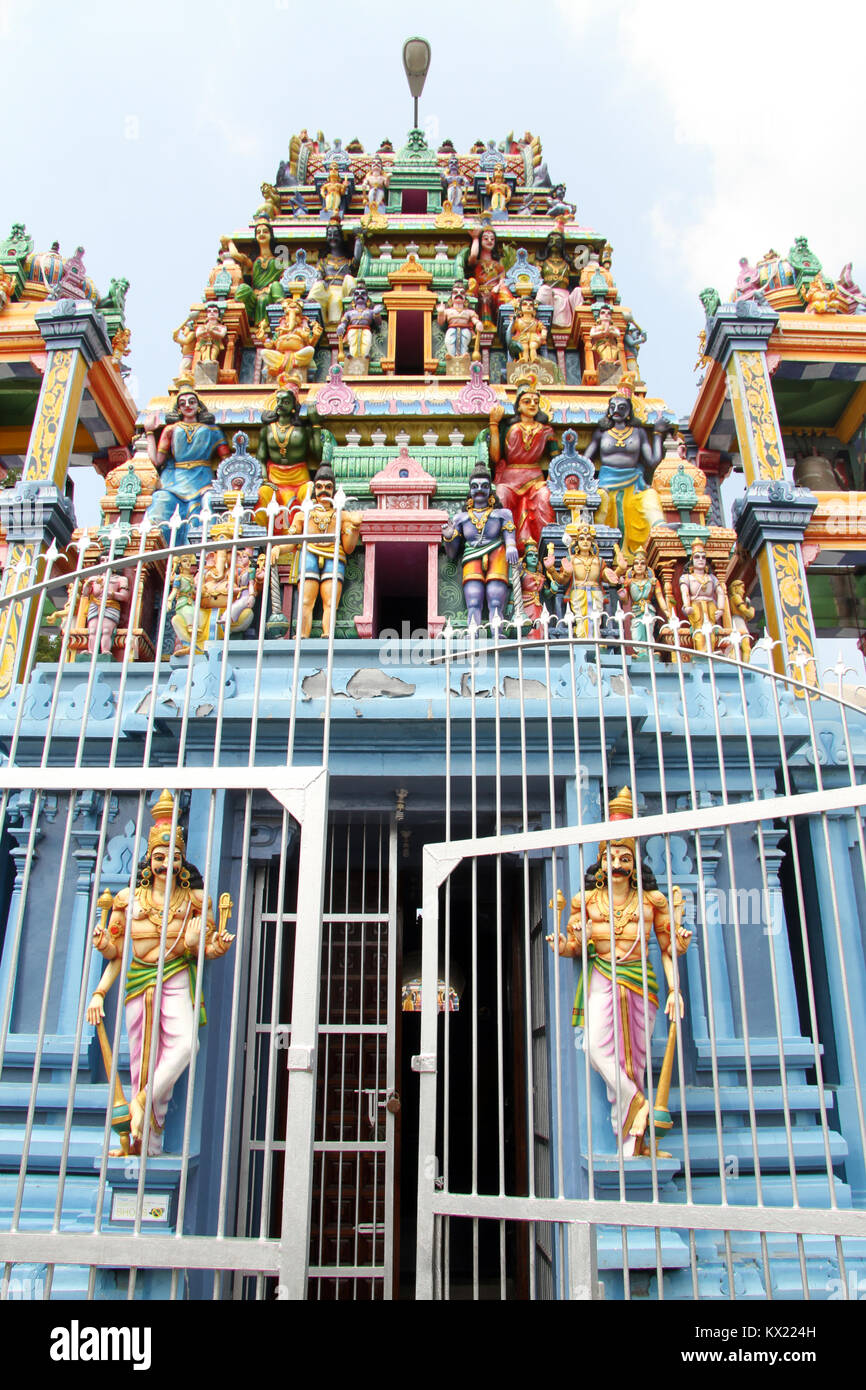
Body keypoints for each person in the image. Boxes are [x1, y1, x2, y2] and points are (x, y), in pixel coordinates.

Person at [86, 790, 234, 1156]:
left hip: (176, 975)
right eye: (159, 857)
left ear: (183, 864)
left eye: (174, 857)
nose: (166, 863)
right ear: (148, 860)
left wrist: (216, 946)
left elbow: (206, 947)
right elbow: (116, 955)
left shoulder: (197, 901)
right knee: (142, 1059)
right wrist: (100, 986)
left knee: (185, 1044)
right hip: (138, 981)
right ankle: (144, 1143)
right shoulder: (127, 900)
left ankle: (139, 1102)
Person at [546, 787, 691, 1156]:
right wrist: (560, 946)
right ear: (602, 860)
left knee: (636, 1060)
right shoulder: (586, 901)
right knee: (597, 1049)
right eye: (612, 856)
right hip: (602, 977)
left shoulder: (651, 902)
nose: (618, 864)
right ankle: (639, 1104)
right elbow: (575, 949)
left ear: (634, 862)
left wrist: (675, 989)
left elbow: (667, 949)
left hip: (642, 980)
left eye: (625, 857)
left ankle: (635, 1144)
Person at [279, 465, 362, 637]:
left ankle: (328, 634)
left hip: (334, 556)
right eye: (319, 487)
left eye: (328, 487)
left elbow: (349, 547)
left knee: (331, 602)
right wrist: (278, 548)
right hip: (309, 553)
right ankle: (303, 634)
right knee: (306, 600)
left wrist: (354, 528)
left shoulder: (342, 515)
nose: (323, 491)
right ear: (314, 489)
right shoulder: (303, 514)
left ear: (333, 491)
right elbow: (291, 540)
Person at [584, 392, 668, 562]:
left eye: (622, 407)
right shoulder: (601, 433)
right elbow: (585, 462)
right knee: (602, 504)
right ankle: (600, 553)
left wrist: (658, 436)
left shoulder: (638, 433)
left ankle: (659, 533)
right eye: (613, 407)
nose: (617, 410)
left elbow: (652, 461)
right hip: (606, 484)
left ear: (629, 412)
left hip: (634, 483)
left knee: (649, 499)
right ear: (608, 411)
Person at [143, 390, 230, 545]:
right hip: (176, 480)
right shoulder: (170, 430)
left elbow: (227, 462)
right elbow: (157, 460)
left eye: (192, 402)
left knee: (208, 501)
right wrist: (149, 432)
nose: (188, 405)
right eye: (183, 404)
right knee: (160, 499)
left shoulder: (213, 431)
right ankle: (162, 547)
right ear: (178, 409)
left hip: (203, 479)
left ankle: (205, 547)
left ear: (198, 406)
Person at [441, 466, 518, 628]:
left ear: (490, 489)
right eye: (475, 486)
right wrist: (449, 537)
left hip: (497, 553)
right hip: (471, 555)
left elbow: (509, 532)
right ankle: (472, 632)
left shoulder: (502, 514)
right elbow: (452, 554)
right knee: (474, 599)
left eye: (484, 485)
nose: (480, 490)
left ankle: (497, 632)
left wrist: (511, 546)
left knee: (495, 599)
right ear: (470, 491)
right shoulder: (460, 518)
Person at [487, 385, 555, 552]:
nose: (532, 404)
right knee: (501, 495)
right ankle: (501, 548)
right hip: (510, 477)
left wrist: (552, 478)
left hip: (535, 478)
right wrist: (494, 424)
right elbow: (495, 457)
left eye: (536, 402)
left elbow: (556, 459)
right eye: (527, 401)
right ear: (518, 406)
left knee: (545, 498)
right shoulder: (509, 427)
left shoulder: (546, 430)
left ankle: (544, 551)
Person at [256, 386, 323, 532]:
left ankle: (305, 532)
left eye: (285, 402)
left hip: (300, 479)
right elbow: (260, 458)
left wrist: (315, 425)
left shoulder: (302, 430)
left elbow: (318, 454)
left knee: (310, 491)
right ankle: (261, 535)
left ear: (294, 407)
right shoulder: (267, 430)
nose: (280, 405)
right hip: (274, 479)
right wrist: (265, 479)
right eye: (278, 401)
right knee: (262, 494)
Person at [234, 218, 285, 326]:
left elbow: (286, 276)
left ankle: (281, 311)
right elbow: (235, 255)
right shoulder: (253, 261)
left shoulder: (280, 260)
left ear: (271, 235)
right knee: (243, 288)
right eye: (258, 232)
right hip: (254, 295)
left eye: (265, 231)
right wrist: (229, 241)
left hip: (271, 294)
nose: (261, 234)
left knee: (267, 296)